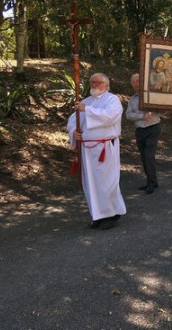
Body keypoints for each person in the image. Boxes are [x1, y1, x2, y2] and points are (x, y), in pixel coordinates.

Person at [67, 73, 126, 230]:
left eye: (98, 82)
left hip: (105, 148)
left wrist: (87, 110)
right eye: (92, 82)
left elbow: (109, 117)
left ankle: (112, 214)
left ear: (106, 85)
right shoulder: (85, 101)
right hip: (87, 150)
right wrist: (74, 132)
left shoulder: (112, 100)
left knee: (106, 182)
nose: (94, 85)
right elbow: (73, 121)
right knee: (91, 183)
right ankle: (97, 214)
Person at [126, 73, 161, 194]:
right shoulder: (132, 99)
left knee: (148, 155)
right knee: (143, 156)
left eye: (138, 81)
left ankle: (151, 183)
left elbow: (161, 108)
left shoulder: (152, 95)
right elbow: (128, 115)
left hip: (153, 128)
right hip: (140, 130)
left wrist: (153, 110)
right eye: (133, 82)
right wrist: (141, 116)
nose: (136, 84)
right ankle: (152, 180)